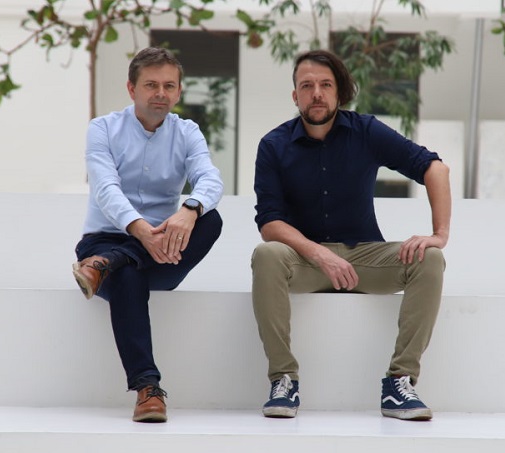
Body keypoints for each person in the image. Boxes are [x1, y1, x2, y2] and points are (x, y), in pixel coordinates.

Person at [251, 49, 451, 421]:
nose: (316, 94)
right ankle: (283, 379)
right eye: (307, 86)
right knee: (267, 255)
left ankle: (399, 382)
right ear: (295, 95)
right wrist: (319, 253)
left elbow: (435, 168)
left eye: (325, 85)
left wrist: (439, 235)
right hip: (306, 262)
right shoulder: (274, 145)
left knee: (431, 259)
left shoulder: (366, 131)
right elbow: (269, 223)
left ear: (339, 92)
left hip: (365, 258)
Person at [71, 47, 223, 423]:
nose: (161, 93)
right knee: (127, 274)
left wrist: (189, 210)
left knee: (211, 218)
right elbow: (105, 188)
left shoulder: (187, 132)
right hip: (105, 240)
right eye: (151, 85)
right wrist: (140, 231)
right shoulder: (103, 128)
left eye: (169, 86)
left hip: (162, 251)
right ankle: (147, 389)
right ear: (132, 88)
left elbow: (210, 178)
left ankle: (107, 264)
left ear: (179, 91)